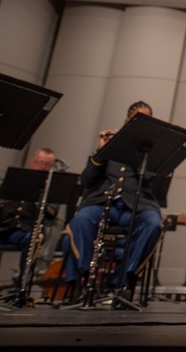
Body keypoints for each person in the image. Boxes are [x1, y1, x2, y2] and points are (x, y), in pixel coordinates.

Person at [62, 101, 162, 301]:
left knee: (153, 224)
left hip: (137, 205)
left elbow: (154, 182)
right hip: (104, 203)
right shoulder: (111, 145)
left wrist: (143, 152)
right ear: (127, 121)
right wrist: (101, 151)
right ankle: (84, 277)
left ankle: (123, 280)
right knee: (80, 220)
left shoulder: (153, 151)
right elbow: (87, 180)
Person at [0, 148, 57, 279]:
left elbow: (52, 214)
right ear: (33, 162)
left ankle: (22, 281)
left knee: (34, 239)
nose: (42, 167)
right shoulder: (16, 180)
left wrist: (41, 200)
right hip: (5, 226)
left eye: (46, 165)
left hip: (26, 230)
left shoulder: (52, 188)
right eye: (40, 163)